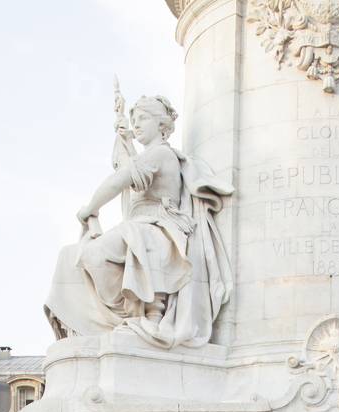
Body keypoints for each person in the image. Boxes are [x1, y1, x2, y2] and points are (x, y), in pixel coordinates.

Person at [44, 92, 232, 349]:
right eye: (136, 120)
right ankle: (124, 318)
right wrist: (125, 140)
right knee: (71, 256)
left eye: (144, 118)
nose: (138, 125)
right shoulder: (146, 157)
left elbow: (120, 180)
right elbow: (127, 169)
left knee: (94, 253)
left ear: (162, 125)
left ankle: (135, 317)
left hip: (160, 229)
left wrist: (91, 208)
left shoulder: (162, 155)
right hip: (141, 227)